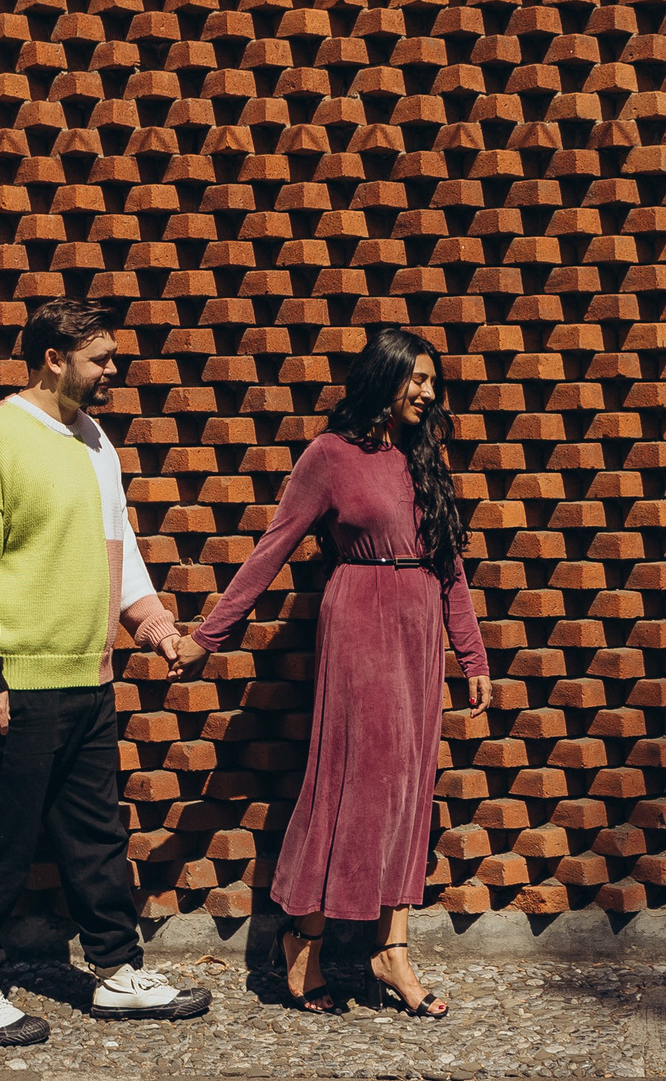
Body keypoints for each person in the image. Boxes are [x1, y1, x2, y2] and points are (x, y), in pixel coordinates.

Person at [173, 327, 491, 1019]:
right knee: (356, 782)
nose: (431, 394)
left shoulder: (422, 459)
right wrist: (207, 638)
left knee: (411, 786)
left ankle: (391, 950)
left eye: (434, 383)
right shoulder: (329, 456)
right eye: (420, 380)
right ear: (385, 377)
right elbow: (271, 550)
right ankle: (306, 937)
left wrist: (472, 655)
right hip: (361, 622)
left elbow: (450, 565)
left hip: (419, 630)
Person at [0, 297, 214, 1044]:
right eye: (101, 359)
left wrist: (153, 627)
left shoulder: (95, 440)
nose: (113, 371)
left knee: (95, 838)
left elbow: (116, 541)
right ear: (54, 359)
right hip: (17, 681)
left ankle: (117, 973)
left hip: (89, 678)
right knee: (0, 839)